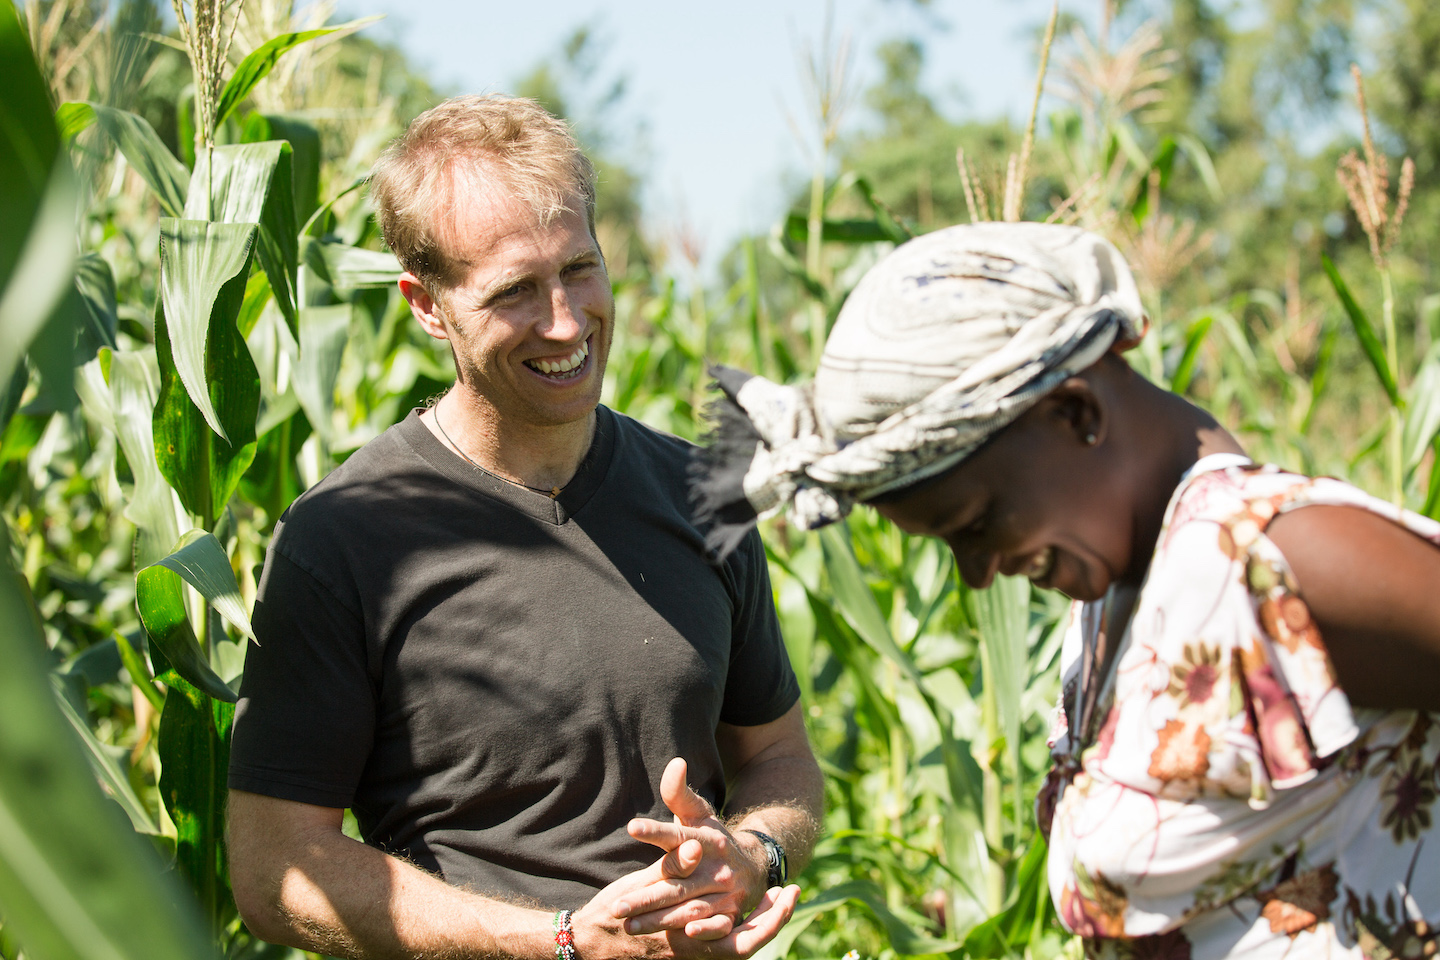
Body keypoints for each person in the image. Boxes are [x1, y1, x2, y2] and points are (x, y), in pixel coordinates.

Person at [693, 221, 1440, 960]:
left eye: (978, 524)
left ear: (1076, 413)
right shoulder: (1123, 588)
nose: (977, 573)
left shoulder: (1275, 559)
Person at [226, 94, 823, 960]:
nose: (566, 321)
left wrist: (751, 851)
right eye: (515, 291)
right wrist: (562, 943)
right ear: (427, 306)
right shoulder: (345, 540)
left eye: (580, 268)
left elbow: (781, 757)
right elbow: (276, 870)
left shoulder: (704, 496)